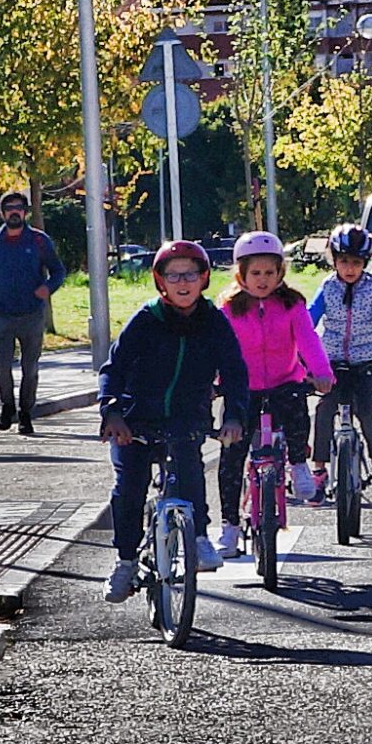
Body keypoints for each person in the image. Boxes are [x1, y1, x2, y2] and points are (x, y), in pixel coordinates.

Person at [98, 239, 249, 601]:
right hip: (135, 419)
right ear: (160, 281)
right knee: (129, 486)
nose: (183, 282)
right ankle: (126, 561)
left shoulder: (214, 321)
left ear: (204, 279)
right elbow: (112, 369)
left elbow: (235, 373)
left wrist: (233, 416)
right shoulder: (146, 320)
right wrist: (113, 412)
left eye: (191, 274)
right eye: (173, 275)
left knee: (189, 467)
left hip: (187, 415)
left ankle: (198, 537)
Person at [214, 232, 334, 558]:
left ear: (281, 272)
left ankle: (298, 465)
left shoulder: (292, 304)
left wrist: (322, 373)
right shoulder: (227, 310)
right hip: (241, 389)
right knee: (232, 455)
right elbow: (214, 349)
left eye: (270, 272)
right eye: (255, 273)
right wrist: (211, 380)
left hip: (285, 380)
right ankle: (229, 527)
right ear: (241, 275)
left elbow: (309, 341)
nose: (263, 280)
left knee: (296, 414)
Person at [308, 225, 372, 495]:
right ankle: (319, 467)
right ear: (334, 260)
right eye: (344, 262)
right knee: (325, 407)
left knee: (366, 411)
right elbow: (310, 317)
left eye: (356, 263)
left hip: (367, 359)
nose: (350, 269)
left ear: (365, 263)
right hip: (332, 358)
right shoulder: (327, 286)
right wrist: (299, 349)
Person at [0, 191, 66, 434]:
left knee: (30, 366)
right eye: (9, 208)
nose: (14, 212)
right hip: (2, 313)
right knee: (1, 365)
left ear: (25, 212)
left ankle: (26, 413)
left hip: (32, 314)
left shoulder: (39, 240)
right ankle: (7, 407)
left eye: (19, 208)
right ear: (3, 213)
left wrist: (48, 288)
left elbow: (58, 270)